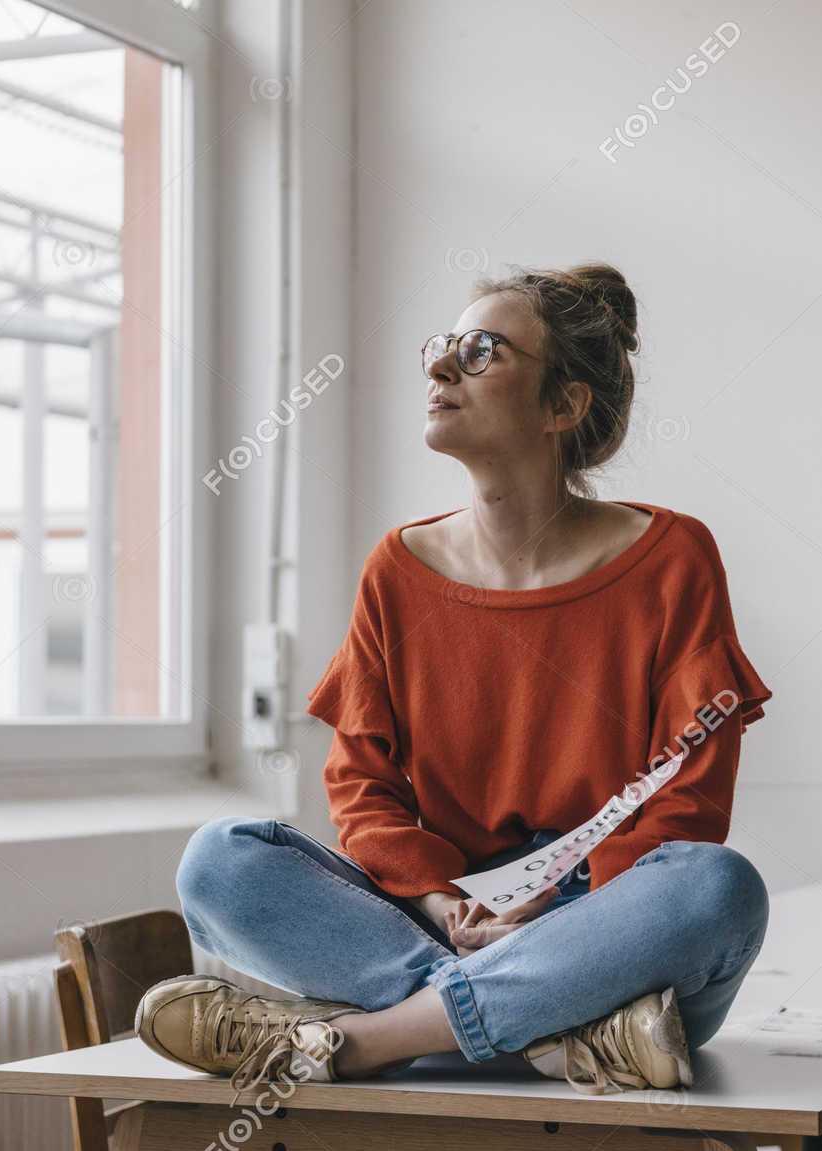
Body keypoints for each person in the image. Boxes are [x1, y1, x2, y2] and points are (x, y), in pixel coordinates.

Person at [134, 263, 773, 1098]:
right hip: (452, 918)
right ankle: (567, 1035)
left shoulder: (674, 556)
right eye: (443, 348)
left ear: (563, 406)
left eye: (481, 351)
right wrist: (440, 904)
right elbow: (361, 785)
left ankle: (365, 1039)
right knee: (218, 861)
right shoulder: (397, 570)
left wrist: (555, 918)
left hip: (605, 925)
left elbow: (687, 797)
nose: (439, 370)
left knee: (717, 888)